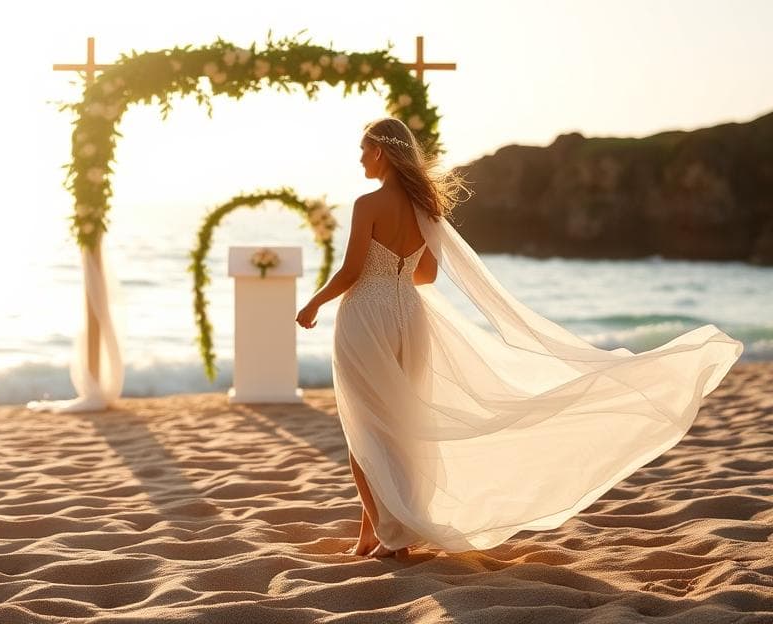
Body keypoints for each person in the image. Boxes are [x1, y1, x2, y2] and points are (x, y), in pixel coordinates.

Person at [295, 116, 743, 560]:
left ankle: (384, 533)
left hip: (367, 316)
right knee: (401, 425)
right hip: (410, 316)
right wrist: (394, 274)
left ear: (380, 151)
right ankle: (377, 532)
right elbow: (426, 274)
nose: (359, 159)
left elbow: (352, 271)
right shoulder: (422, 207)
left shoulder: (366, 204)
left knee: (364, 426)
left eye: (363, 150)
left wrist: (315, 303)